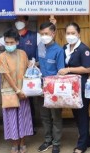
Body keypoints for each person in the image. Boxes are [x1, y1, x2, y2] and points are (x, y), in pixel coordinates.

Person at [57, 22, 90, 153]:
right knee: (76, 114)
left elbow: (88, 68)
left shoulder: (84, 49)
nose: (70, 36)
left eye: (73, 33)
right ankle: (87, 139)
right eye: (68, 33)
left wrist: (69, 69)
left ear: (79, 34)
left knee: (82, 115)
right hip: (70, 87)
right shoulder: (65, 47)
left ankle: (81, 145)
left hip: (81, 87)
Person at [0, 29, 33, 153]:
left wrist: (32, 65)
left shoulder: (23, 53)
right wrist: (17, 90)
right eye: (7, 43)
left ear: (17, 42)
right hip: (10, 92)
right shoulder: (2, 56)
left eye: (12, 42)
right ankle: (14, 144)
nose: (9, 45)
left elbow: (28, 69)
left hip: (23, 91)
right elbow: (6, 75)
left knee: (23, 118)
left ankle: (22, 143)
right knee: (11, 119)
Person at [37, 21, 65, 153]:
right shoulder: (40, 46)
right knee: (45, 116)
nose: (44, 36)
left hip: (54, 88)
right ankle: (48, 140)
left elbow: (60, 72)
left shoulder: (59, 50)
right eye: (42, 34)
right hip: (40, 88)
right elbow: (39, 63)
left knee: (56, 117)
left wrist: (51, 88)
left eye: (46, 33)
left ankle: (56, 143)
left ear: (53, 34)